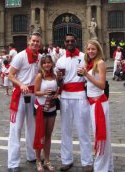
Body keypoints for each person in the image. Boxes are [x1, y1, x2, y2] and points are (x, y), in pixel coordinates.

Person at [56, 33, 93, 171]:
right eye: (67, 41)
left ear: (76, 41)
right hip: (65, 97)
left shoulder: (84, 57)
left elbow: (90, 76)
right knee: (65, 131)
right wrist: (58, 80)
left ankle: (87, 161)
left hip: (80, 97)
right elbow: (58, 82)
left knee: (83, 130)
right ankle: (66, 160)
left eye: (72, 41)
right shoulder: (60, 61)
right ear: (64, 43)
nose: (70, 43)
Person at [7, 32, 42, 172]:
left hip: (34, 95)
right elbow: (10, 75)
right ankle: (13, 162)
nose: (35, 43)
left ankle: (31, 154)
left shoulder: (40, 58)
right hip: (21, 95)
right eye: (33, 41)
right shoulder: (20, 56)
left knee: (32, 127)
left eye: (38, 42)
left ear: (40, 44)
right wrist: (20, 84)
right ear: (29, 41)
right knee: (16, 128)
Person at [77, 40, 114, 172]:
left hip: (99, 104)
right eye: (88, 49)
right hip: (92, 103)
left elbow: (102, 85)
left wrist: (86, 74)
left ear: (98, 50)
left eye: (93, 49)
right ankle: (107, 167)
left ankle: (100, 168)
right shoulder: (89, 64)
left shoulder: (100, 63)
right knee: (103, 136)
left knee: (100, 136)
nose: (90, 51)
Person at [33, 55, 59, 172]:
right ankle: (38, 160)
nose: (47, 65)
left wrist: (56, 95)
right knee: (40, 135)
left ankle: (47, 160)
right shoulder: (40, 76)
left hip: (52, 109)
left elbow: (57, 90)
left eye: (49, 62)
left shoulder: (54, 76)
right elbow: (35, 92)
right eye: (44, 63)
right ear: (41, 64)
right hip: (41, 109)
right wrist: (44, 92)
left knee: (48, 136)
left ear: (52, 64)